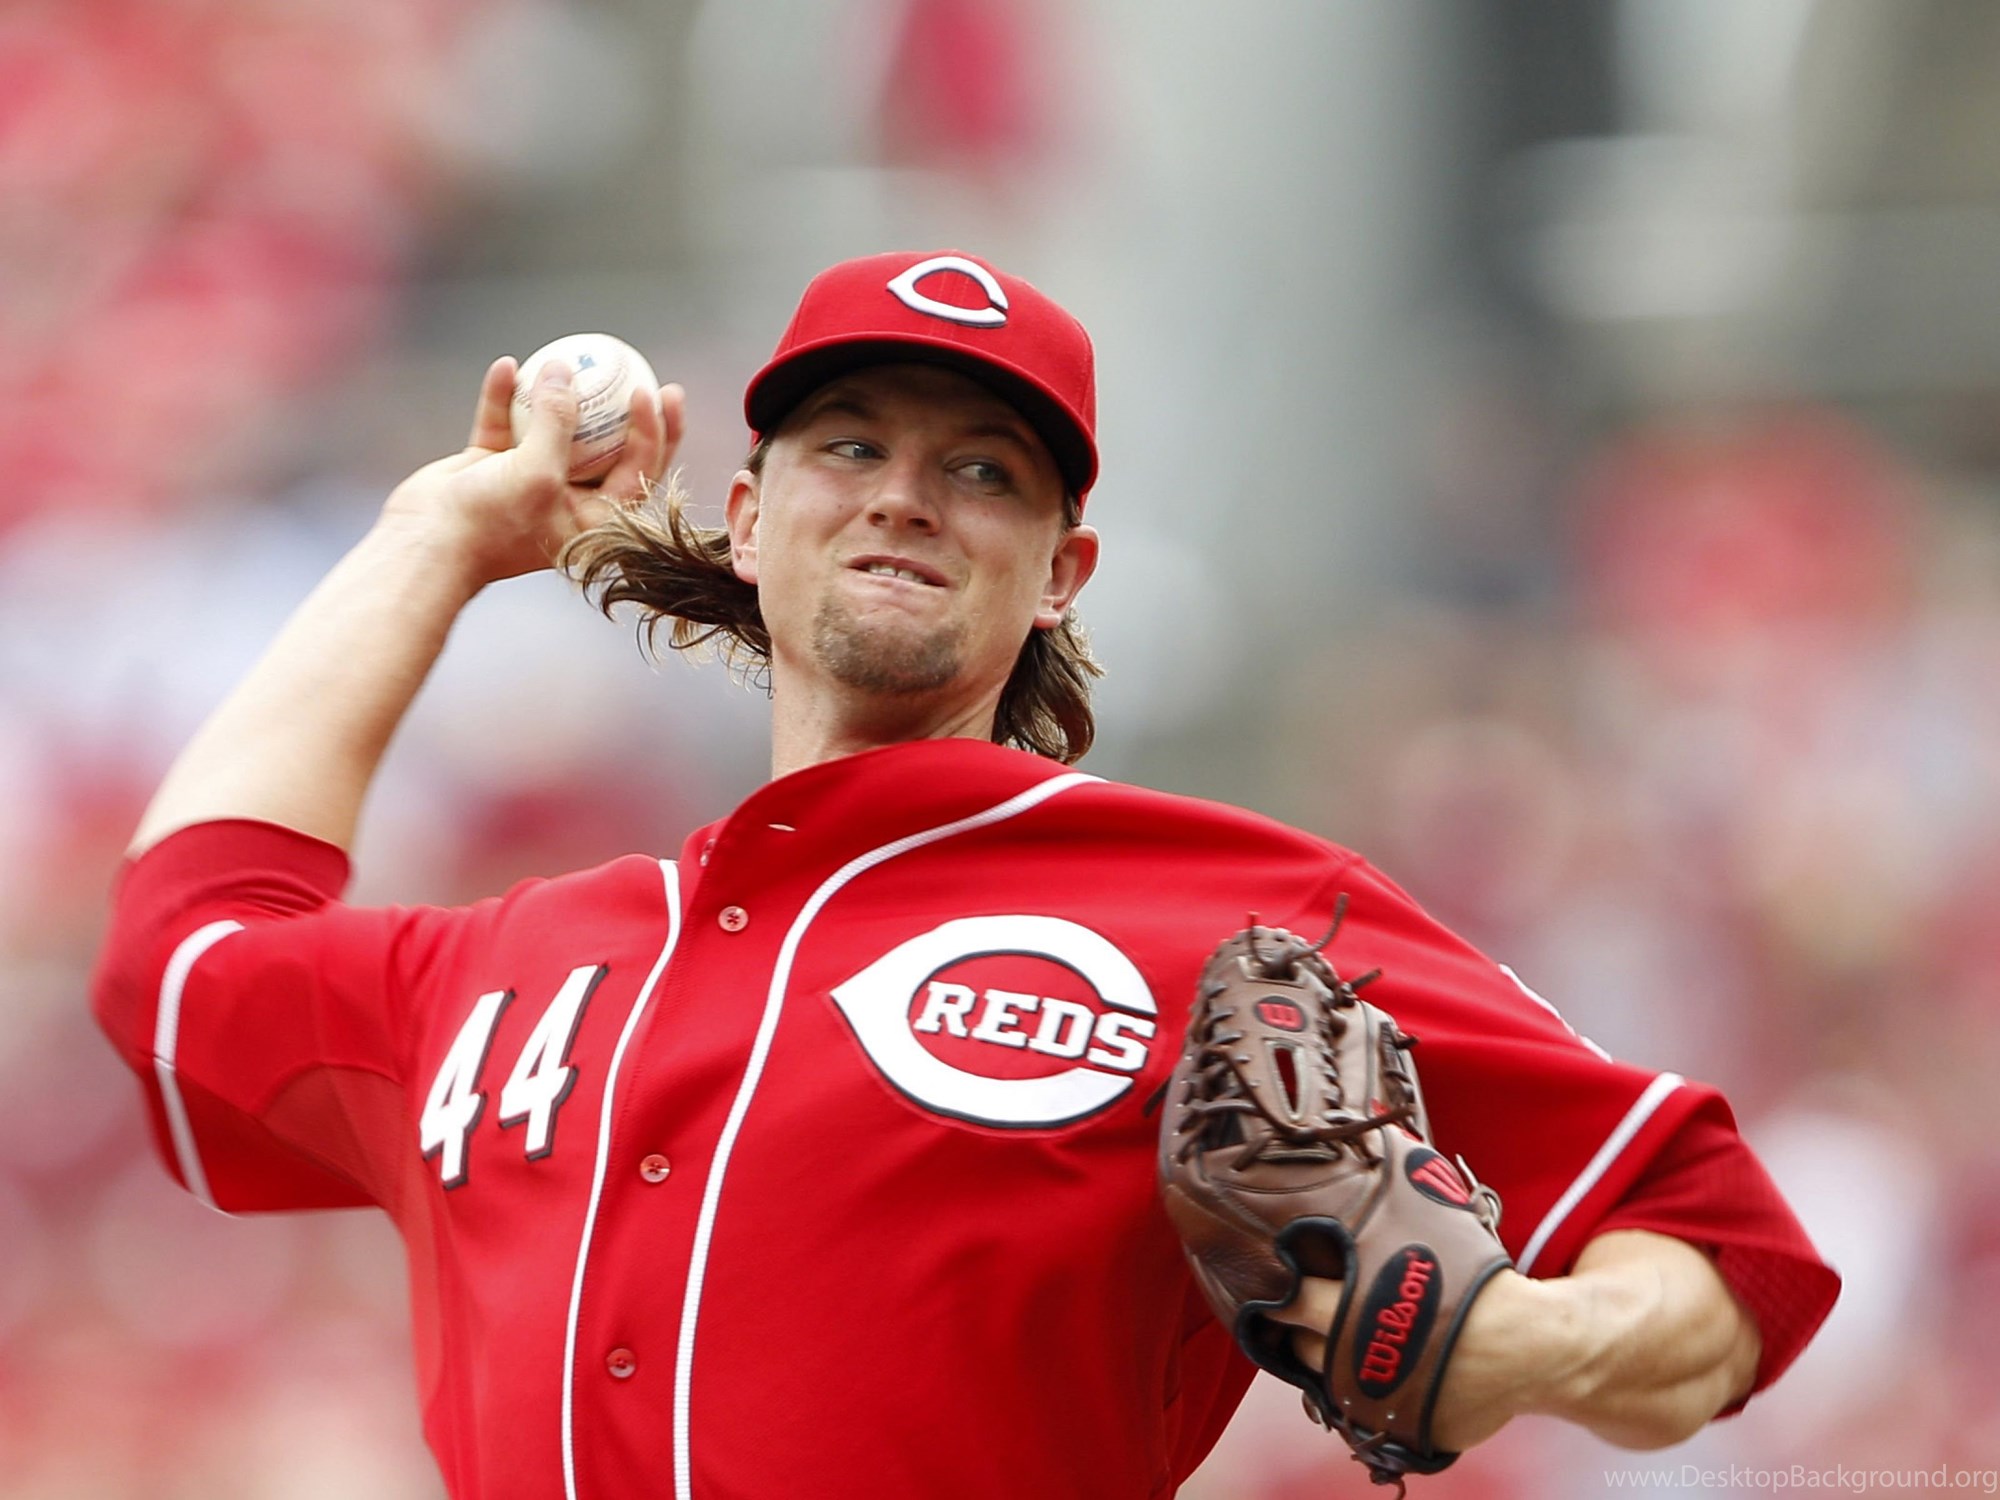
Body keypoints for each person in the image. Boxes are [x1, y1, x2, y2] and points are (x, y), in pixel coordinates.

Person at [91, 249, 1838, 1500]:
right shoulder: (519, 971)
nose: (906, 496)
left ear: (1064, 571)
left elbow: (1725, 1252)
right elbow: (179, 964)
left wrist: (1513, 1349)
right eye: (850, 444)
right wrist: (437, 538)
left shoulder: (1220, 908)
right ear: (749, 515)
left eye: (983, 469)